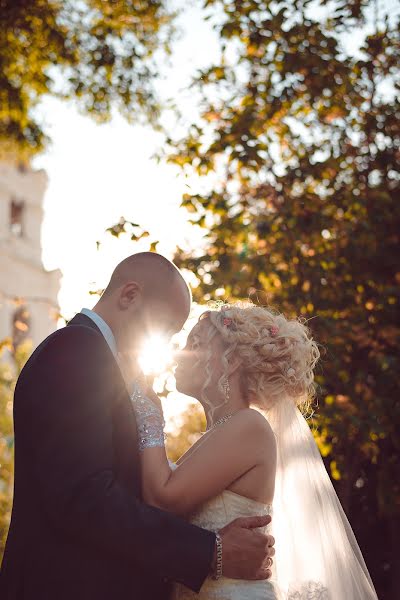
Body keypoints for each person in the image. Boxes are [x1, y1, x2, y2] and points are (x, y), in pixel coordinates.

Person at [0, 253, 275, 600]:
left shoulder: (96, 359)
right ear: (129, 295)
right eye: (166, 327)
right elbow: (84, 496)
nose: (167, 343)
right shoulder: (77, 350)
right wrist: (210, 551)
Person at [126, 301, 379, 599]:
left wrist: (147, 411)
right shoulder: (218, 435)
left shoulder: (249, 426)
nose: (181, 352)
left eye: (195, 343)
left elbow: (161, 499)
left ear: (232, 361)